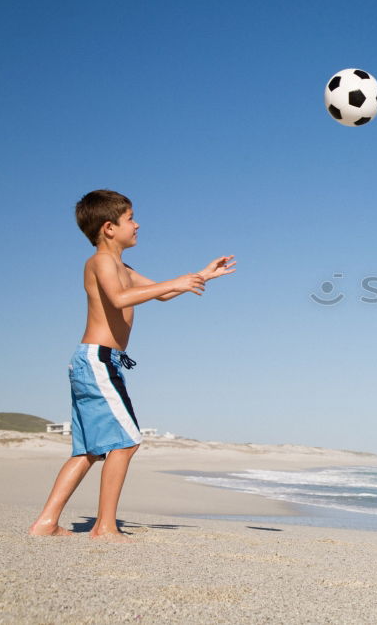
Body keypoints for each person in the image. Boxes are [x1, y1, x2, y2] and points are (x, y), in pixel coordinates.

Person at [28, 189, 235, 541]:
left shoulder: (121, 266)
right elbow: (119, 298)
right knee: (126, 442)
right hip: (97, 361)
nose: (137, 224)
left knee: (90, 450)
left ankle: (46, 523)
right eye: (130, 219)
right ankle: (105, 527)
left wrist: (201, 275)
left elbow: (163, 293)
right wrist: (178, 281)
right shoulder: (101, 263)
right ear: (109, 227)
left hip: (97, 361)